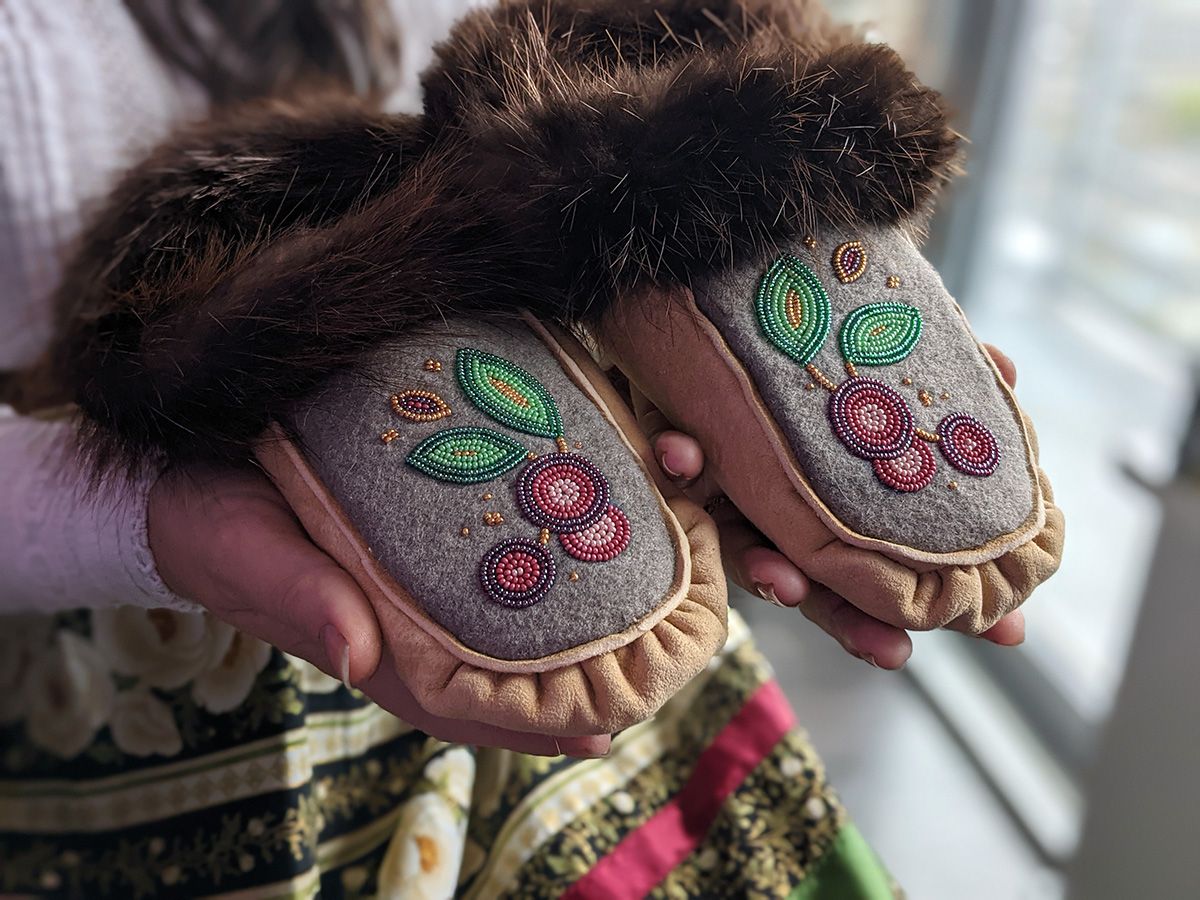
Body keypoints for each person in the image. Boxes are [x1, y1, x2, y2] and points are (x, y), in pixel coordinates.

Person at [0, 1, 1024, 896]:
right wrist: (136, 522)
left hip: (582, 454)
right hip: (122, 658)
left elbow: (527, 149)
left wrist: (650, 372)